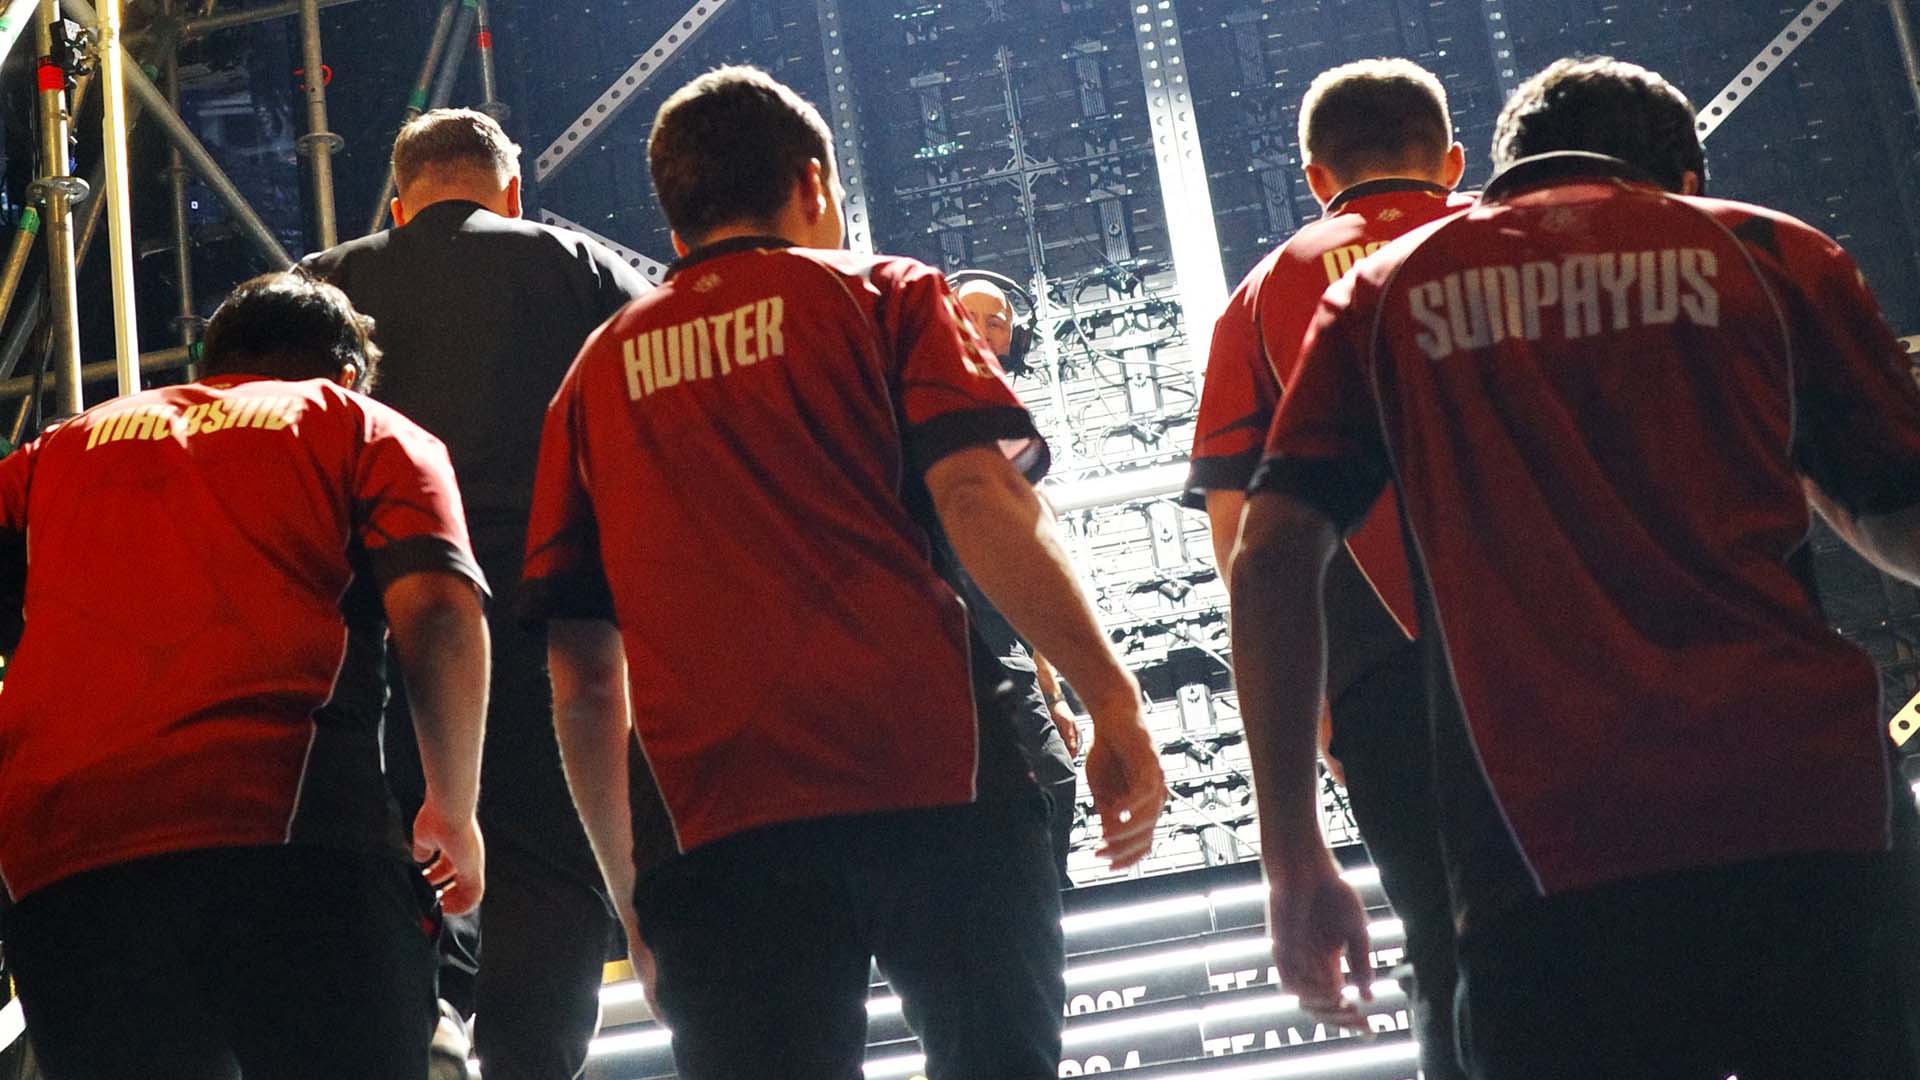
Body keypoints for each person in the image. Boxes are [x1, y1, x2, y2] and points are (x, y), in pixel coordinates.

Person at [1231, 55, 1920, 1080]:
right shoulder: (1768, 251)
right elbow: (1901, 515)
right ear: (1683, 178)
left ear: (1501, 168)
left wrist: (1291, 851)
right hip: (1804, 804)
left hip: (1542, 839)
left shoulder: (1386, 290)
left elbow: (1271, 558)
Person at [526, 66, 1167, 1080]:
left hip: (715, 820)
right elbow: (980, 498)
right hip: (935, 779)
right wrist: (1113, 700)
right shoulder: (886, 295)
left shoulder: (593, 375)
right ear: (813, 182)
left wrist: (632, 892)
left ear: (675, 211)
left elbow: (582, 677)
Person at [0, 272, 490, 1079]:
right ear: (346, 373)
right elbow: (438, 607)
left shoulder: (56, 449)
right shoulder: (360, 423)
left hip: (65, 865)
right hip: (290, 846)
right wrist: (454, 810)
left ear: (210, 365)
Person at [301, 108, 649, 1079]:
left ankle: (432, 1032)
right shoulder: (576, 265)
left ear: (398, 200)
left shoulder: (323, 286)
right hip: (550, 623)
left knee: (404, 859)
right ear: (512, 192)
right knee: (551, 866)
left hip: (380, 636)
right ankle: (529, 1063)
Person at [1185, 57, 1469, 1080]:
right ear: (1451, 159)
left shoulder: (1260, 296)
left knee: (1447, 940)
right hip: (1568, 639)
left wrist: (1309, 716)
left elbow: (1244, 536)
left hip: (1379, 671)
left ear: (1315, 176)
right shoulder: (1516, 237)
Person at [951, 275, 1083, 882]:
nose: (983, 331)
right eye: (969, 317)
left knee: (1054, 776)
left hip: (1002, 647)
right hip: (933, 648)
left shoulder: (1011, 430)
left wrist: (1053, 693)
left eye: (996, 321)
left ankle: (1046, 900)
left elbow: (1026, 578)